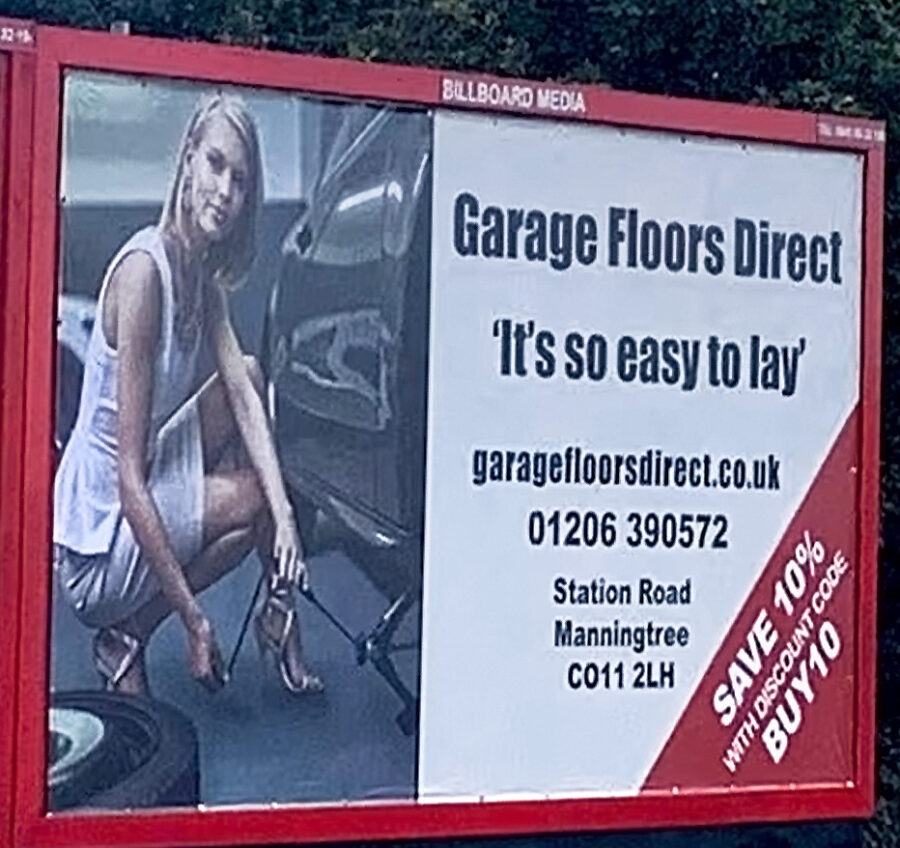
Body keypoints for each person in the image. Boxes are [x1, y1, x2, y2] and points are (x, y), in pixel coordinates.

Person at [53, 93, 323, 697]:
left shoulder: (201, 276)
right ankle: (133, 630)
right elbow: (128, 478)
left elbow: (243, 396)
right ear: (188, 161)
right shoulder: (144, 276)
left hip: (145, 478)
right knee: (250, 498)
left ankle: (274, 611)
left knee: (247, 376)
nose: (224, 191)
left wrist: (287, 520)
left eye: (240, 180)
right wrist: (195, 622)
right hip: (101, 535)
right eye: (215, 165)